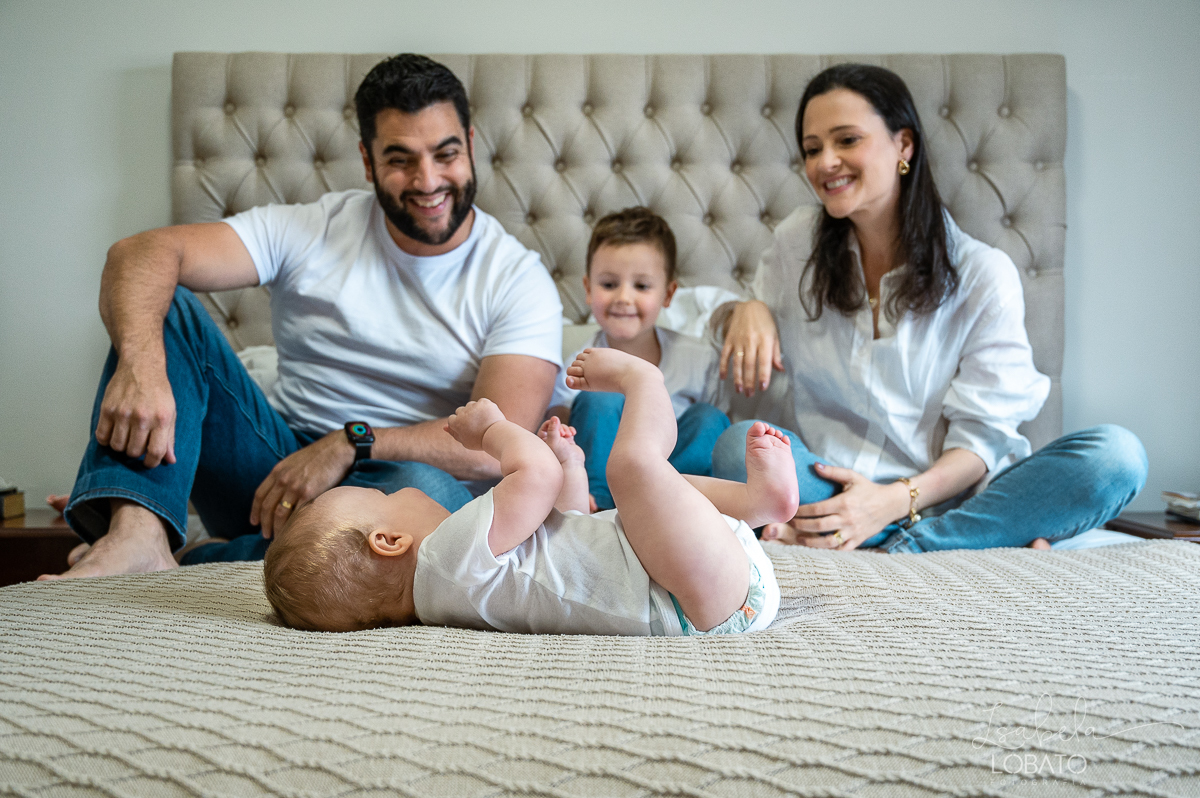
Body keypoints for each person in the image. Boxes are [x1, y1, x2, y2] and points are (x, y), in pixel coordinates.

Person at [42, 54, 563, 579]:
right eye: (400, 159)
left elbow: (496, 447)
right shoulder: (311, 229)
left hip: (401, 487)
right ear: (367, 160)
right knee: (166, 307)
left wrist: (352, 441)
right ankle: (137, 532)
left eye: (445, 154)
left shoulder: (517, 279)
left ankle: (203, 557)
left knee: (433, 506)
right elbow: (139, 254)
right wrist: (141, 367)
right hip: (273, 479)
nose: (427, 180)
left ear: (470, 145)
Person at [712, 63, 1147, 553]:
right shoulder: (797, 245)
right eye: (813, 149)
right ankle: (959, 539)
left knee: (1116, 457)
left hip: (954, 497)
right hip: (836, 492)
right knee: (739, 446)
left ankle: (913, 541)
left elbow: (980, 443)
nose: (825, 161)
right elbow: (711, 324)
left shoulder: (984, 274)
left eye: (847, 140)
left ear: (904, 146)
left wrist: (892, 502)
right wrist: (746, 308)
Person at [264, 348, 798, 635]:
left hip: (703, 592)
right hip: (697, 599)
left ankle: (758, 506)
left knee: (654, 498)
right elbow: (533, 478)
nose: (391, 493)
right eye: (380, 498)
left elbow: (563, 540)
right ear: (388, 540)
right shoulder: (447, 558)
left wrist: (567, 464)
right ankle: (645, 381)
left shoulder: (453, 590)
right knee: (634, 468)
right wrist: (491, 431)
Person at [549, 207, 729, 510]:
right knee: (600, 400)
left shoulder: (697, 358)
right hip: (606, 482)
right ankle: (600, 509)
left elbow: (715, 436)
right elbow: (560, 422)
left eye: (642, 286)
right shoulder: (578, 362)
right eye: (608, 284)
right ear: (588, 289)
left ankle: (686, 507)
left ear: (668, 294)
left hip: (674, 483)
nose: (623, 297)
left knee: (709, 418)